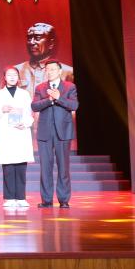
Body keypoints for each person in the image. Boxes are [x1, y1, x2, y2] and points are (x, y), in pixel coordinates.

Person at [31, 60, 79, 208]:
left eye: (53, 69)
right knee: (45, 167)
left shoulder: (70, 87)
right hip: (45, 132)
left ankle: (64, 199)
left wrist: (59, 98)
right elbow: (34, 106)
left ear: (59, 71)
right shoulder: (40, 87)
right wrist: (49, 100)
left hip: (63, 132)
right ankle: (46, 200)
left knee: (63, 167)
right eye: (47, 69)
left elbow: (74, 105)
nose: (50, 71)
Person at [0, 67, 34, 209]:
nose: (12, 77)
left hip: (20, 132)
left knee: (20, 167)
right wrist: (1, 110)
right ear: (5, 77)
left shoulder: (25, 94)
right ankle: (9, 198)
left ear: (18, 77)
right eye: (9, 75)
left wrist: (25, 123)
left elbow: (30, 114)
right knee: (8, 168)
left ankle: (21, 197)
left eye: (15, 75)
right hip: (6, 134)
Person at [13, 23, 74, 92]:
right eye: (29, 39)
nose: (31, 42)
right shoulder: (15, 71)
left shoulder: (67, 73)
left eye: (37, 38)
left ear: (51, 44)